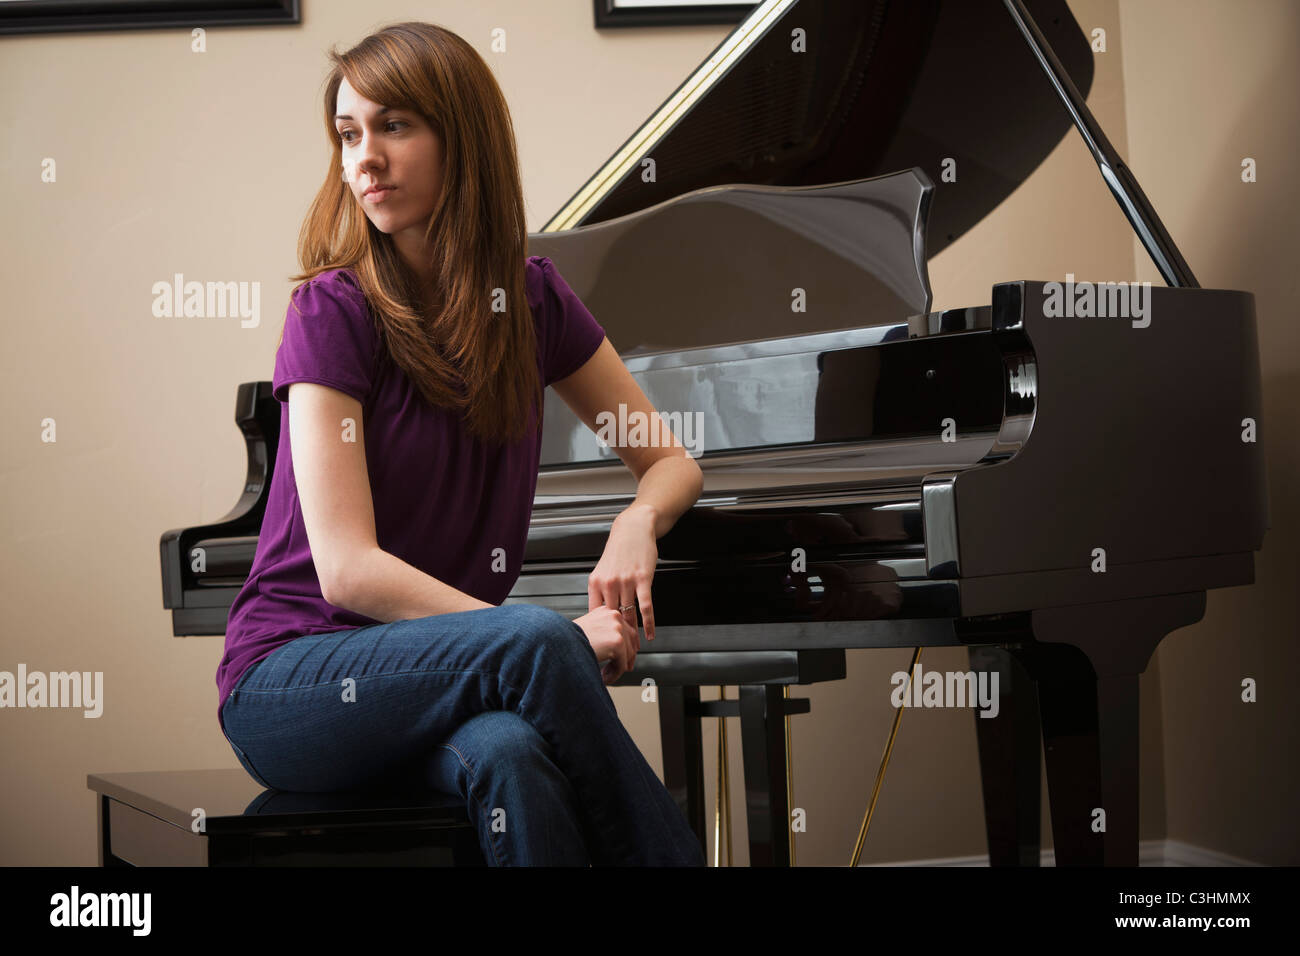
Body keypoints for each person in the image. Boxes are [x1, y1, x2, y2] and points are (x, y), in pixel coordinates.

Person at [215, 20, 706, 867]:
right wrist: (533, 639)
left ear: (463, 140)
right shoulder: (332, 311)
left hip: (442, 683)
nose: (363, 159)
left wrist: (637, 523)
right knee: (538, 641)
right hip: (292, 685)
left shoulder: (533, 303)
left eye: (395, 126)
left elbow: (668, 460)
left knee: (513, 758)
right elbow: (346, 572)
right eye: (347, 134)